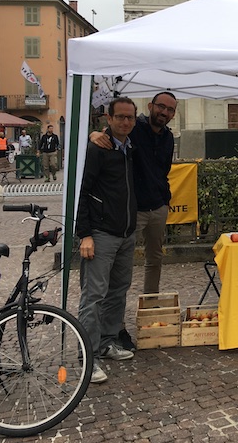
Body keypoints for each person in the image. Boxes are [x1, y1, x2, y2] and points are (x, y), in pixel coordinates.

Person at [76, 97, 138, 384]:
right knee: (94, 296)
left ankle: (107, 342)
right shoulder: (98, 148)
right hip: (101, 234)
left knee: (118, 292)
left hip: (126, 233)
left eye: (130, 117)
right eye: (120, 117)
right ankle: (87, 357)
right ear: (108, 119)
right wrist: (85, 234)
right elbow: (83, 192)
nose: (125, 122)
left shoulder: (130, 148)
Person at [91, 92, 176, 294]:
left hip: (158, 207)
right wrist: (94, 135)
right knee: (122, 261)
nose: (164, 112)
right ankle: (116, 317)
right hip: (133, 209)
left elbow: (164, 171)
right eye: (161, 106)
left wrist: (165, 200)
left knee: (155, 259)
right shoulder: (134, 128)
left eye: (170, 109)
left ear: (173, 114)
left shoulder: (169, 137)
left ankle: (150, 303)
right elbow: (108, 135)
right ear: (150, 106)